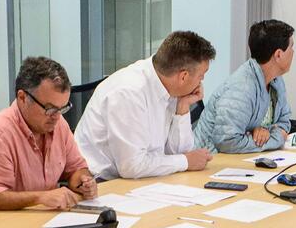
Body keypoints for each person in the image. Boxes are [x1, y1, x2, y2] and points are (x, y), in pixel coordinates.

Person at [0, 55, 98, 214]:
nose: (56, 116)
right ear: (22, 98)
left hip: (38, 220)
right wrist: (40, 198)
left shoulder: (58, 124)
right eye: (49, 109)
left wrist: (83, 182)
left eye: (62, 108)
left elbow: (76, 168)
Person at [75, 31, 216, 181]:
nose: (201, 83)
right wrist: (186, 161)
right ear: (183, 76)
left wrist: (183, 106)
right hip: (98, 183)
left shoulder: (169, 85)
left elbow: (179, 153)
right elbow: (131, 167)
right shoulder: (129, 93)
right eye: (201, 76)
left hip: (140, 179)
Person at [193, 20, 296, 153]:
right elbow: (227, 142)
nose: (293, 52)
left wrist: (265, 132)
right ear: (278, 55)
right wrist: (273, 139)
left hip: (244, 161)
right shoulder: (241, 89)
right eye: (291, 47)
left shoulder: (276, 80)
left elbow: (284, 122)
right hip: (211, 163)